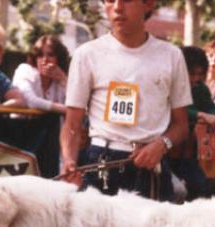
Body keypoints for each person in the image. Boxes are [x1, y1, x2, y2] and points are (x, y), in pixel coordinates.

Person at [60, 0, 191, 201]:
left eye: (127, 0)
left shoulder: (172, 56)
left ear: (148, 5)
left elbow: (181, 125)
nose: (118, 7)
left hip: (152, 165)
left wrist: (162, 144)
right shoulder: (87, 54)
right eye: (110, 0)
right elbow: (72, 124)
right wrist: (69, 160)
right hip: (101, 163)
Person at [170, 46, 215, 201]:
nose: (195, 79)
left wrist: (214, 116)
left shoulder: (201, 89)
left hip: (189, 154)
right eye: (191, 74)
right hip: (169, 152)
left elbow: (213, 108)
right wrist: (200, 115)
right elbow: (175, 110)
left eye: (200, 74)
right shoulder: (171, 87)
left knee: (201, 188)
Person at [12, 35, 68, 114]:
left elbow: (77, 103)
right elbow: (30, 100)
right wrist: (62, 109)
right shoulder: (24, 70)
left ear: (58, 59)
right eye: (40, 55)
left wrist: (63, 79)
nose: (45, 60)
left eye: (50, 55)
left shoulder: (59, 80)